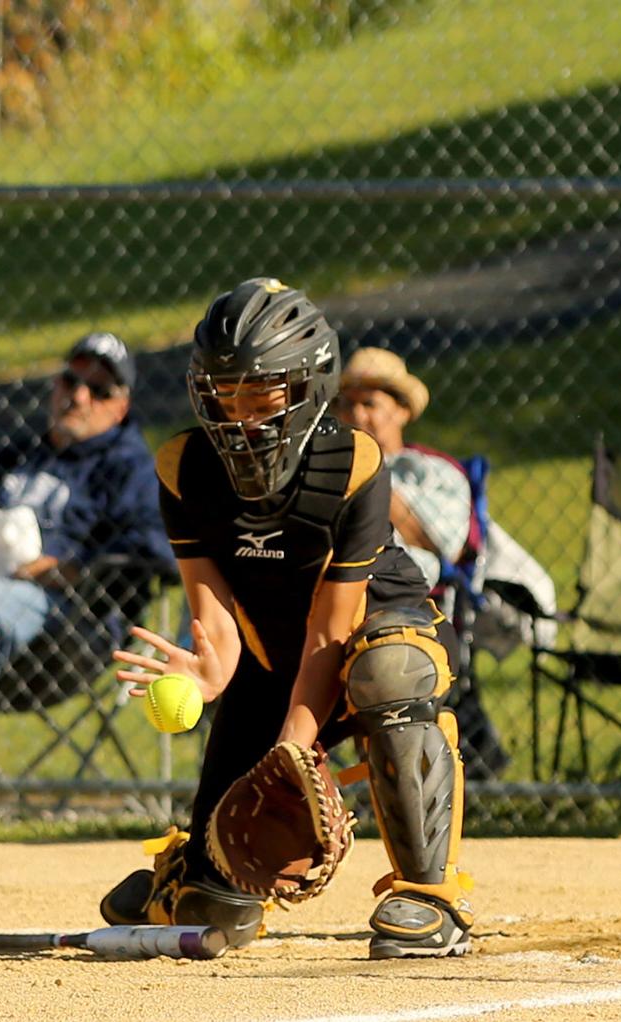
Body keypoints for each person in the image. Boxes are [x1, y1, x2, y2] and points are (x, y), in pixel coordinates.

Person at [98, 279, 474, 959]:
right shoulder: (185, 467)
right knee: (216, 903)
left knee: (389, 670)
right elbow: (212, 613)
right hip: (273, 650)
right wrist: (211, 665)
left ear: (309, 385)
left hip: (371, 624)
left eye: (262, 391)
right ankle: (203, 881)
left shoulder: (351, 463)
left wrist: (292, 749)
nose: (240, 412)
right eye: (223, 391)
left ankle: (427, 895)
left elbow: (332, 632)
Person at [332, 345, 512, 779]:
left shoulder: (433, 473)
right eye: (347, 404)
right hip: (331, 605)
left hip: (410, 607)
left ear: (402, 412)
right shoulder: (324, 471)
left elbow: (446, 546)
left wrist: (371, 483)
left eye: (370, 404)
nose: (357, 415)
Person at [0, 332, 173, 698]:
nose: (78, 397)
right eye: (71, 380)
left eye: (99, 390)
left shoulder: (129, 468)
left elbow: (161, 547)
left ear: (121, 407)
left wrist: (73, 569)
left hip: (69, 623)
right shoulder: (20, 453)